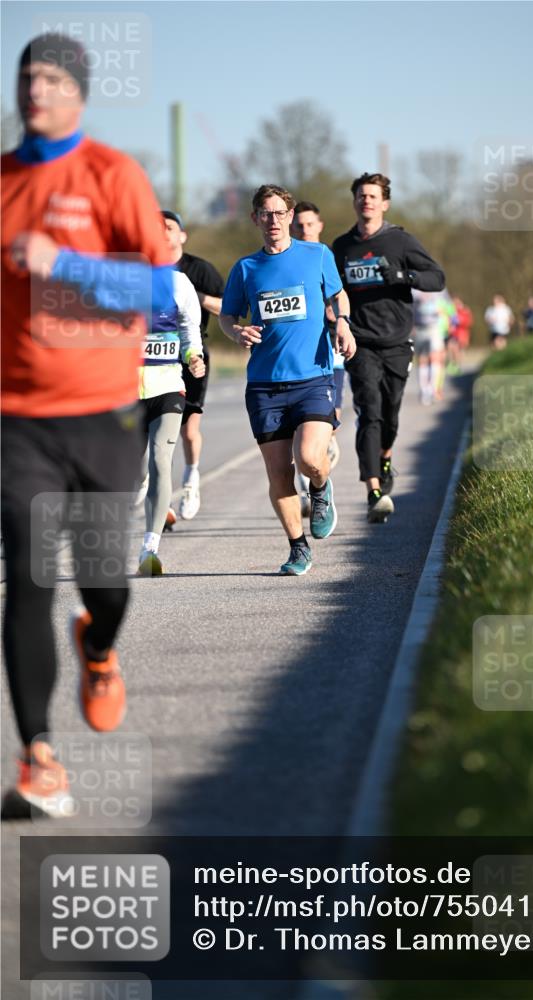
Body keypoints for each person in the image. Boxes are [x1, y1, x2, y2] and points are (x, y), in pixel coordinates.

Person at [1, 34, 174, 817]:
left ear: (78, 92)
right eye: (24, 78)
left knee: (106, 586)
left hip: (103, 413)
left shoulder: (112, 174)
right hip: (17, 422)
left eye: (49, 79)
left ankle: (98, 645)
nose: (34, 90)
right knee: (29, 581)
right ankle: (38, 756)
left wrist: (63, 264)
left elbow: (159, 288)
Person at [220, 184, 355, 575]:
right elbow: (227, 316)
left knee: (310, 458)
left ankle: (320, 489)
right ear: (255, 218)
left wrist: (342, 324)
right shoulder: (245, 269)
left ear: (291, 216)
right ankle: (298, 548)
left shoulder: (317, 255)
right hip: (264, 385)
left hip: (312, 375)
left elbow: (338, 296)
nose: (274, 220)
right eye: (266, 213)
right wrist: (237, 332)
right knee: (279, 472)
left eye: (280, 213)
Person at [332, 172, 445, 523]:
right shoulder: (341, 248)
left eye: (373, 196)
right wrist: (336, 322)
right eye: (361, 196)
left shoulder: (400, 241)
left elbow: (437, 279)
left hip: (397, 341)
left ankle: (385, 457)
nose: (366, 201)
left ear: (385, 203)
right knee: (370, 410)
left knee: (391, 415)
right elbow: (331, 292)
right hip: (360, 342)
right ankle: (373, 491)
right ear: (354, 202)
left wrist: (405, 277)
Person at [136, 215, 205, 577]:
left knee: (161, 459)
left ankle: (150, 547)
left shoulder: (178, 283)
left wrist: (194, 357)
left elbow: (188, 329)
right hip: (124, 390)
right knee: (135, 472)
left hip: (167, 385)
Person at [161, 210, 225, 521]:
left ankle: (191, 479)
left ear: (182, 235)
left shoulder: (199, 269)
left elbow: (229, 307)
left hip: (192, 354)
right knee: (158, 430)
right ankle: (162, 498)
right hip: (154, 357)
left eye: (169, 227)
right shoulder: (142, 269)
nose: (162, 232)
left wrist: (194, 296)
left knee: (187, 429)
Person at [290, 201, 345, 516]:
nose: (304, 230)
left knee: (329, 421)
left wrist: (337, 317)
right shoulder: (288, 260)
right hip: (301, 358)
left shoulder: (325, 257)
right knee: (300, 433)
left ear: (319, 226)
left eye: (310, 224)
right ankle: (309, 489)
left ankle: (321, 460)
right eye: (299, 225)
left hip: (330, 355)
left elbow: (341, 298)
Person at [412, 288, 447, 405]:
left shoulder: (439, 286)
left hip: (434, 327)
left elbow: (446, 305)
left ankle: (433, 389)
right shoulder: (413, 286)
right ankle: (424, 390)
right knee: (422, 359)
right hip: (419, 328)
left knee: (435, 357)